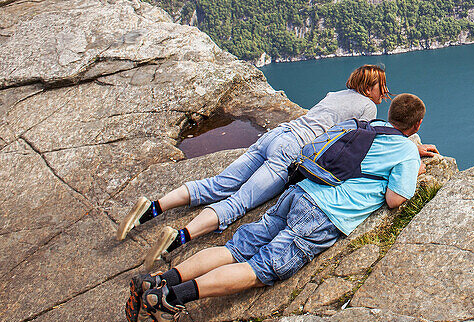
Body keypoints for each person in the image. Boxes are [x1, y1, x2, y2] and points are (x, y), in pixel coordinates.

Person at [126, 92, 429, 322]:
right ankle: (168, 298)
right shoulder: (406, 153)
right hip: (322, 215)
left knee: (236, 249)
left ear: (391, 115)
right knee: (260, 270)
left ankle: (157, 282)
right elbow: (395, 199)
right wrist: (414, 170)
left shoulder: (367, 125)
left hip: (299, 191)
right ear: (416, 125)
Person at [117, 64, 434, 267]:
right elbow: (365, 142)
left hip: (279, 134)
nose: (384, 93)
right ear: (370, 87)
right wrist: (412, 149)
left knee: (219, 184)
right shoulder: (366, 107)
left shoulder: (334, 94)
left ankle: (153, 207)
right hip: (292, 152)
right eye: (382, 88)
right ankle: (180, 237)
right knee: (239, 203)